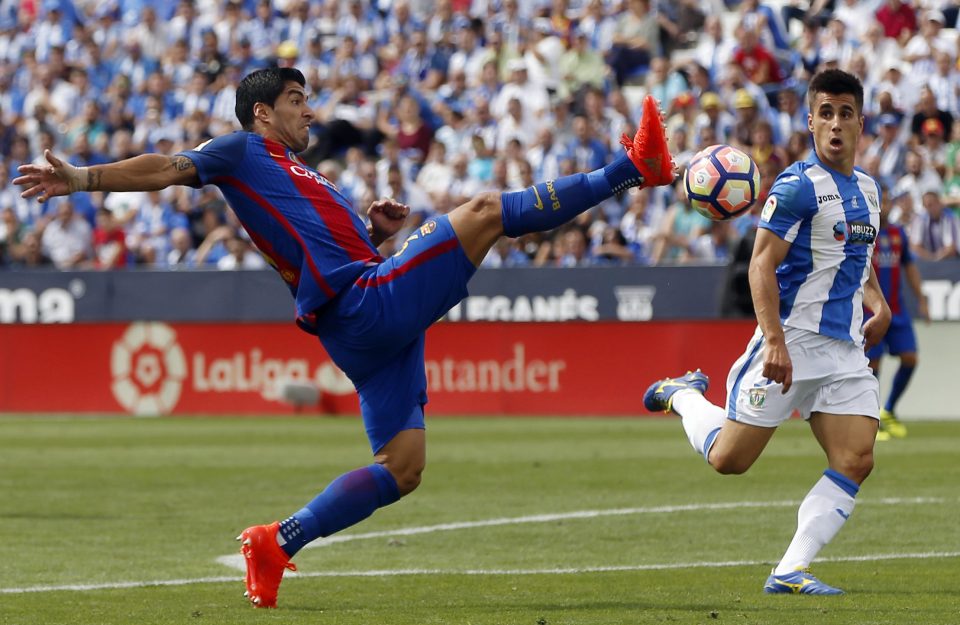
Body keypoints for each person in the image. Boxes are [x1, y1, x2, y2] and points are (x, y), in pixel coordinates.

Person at [14, 66, 677, 609]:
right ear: (263, 114)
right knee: (481, 212)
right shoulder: (241, 149)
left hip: (359, 317)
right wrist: (82, 178)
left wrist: (372, 231)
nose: (308, 112)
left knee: (403, 467)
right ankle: (632, 169)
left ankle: (277, 542)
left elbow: (316, 244)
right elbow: (167, 167)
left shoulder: (302, 173)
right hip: (364, 305)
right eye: (296, 101)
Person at [642, 69, 891, 595]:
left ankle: (789, 571)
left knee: (856, 457)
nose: (836, 123)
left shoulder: (869, 190)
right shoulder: (797, 186)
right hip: (793, 342)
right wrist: (774, 339)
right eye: (826, 113)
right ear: (811, 121)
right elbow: (760, 265)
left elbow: (857, 256)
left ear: (860, 122)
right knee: (730, 461)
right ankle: (684, 396)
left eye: (846, 113)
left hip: (845, 349)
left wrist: (878, 303)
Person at [868, 187, 929, 441]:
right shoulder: (863, 232)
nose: (885, 205)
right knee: (874, 365)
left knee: (910, 358)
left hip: (898, 310)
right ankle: (871, 421)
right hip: (868, 311)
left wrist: (921, 298)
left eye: (887, 200)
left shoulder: (897, 234)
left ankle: (889, 409)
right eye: (880, 200)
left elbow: (909, 266)